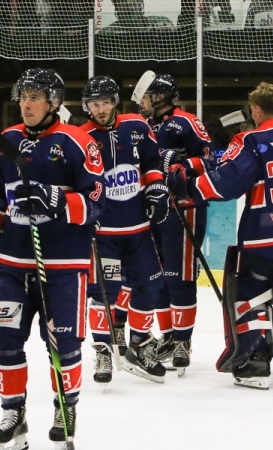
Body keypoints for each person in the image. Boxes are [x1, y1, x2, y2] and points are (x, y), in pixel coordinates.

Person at [0, 68, 106, 449]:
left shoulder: (77, 141)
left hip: (63, 265)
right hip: (11, 263)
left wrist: (55, 201)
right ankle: (12, 412)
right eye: (23, 96)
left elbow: (97, 203)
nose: (26, 103)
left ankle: (65, 407)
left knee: (63, 343)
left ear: (54, 102)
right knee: (2, 339)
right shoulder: (7, 141)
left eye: (35, 96)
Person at [167, 81, 273, 389]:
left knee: (250, 290)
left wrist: (187, 188)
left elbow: (228, 182)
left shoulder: (250, 140)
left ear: (257, 110)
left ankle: (254, 361)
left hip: (265, 234)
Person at [80, 75, 168, 384]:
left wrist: (156, 188)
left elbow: (152, 163)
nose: (100, 109)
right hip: (103, 234)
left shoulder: (137, 127)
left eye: (104, 102)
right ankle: (104, 349)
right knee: (103, 294)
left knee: (150, 287)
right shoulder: (81, 137)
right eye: (94, 103)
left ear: (115, 101)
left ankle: (140, 344)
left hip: (138, 230)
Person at [139, 73, 216, 375]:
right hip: (153, 208)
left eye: (148, 96)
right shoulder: (145, 127)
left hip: (184, 206)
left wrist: (182, 163)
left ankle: (183, 340)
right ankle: (169, 337)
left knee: (179, 277)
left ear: (161, 97)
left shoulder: (185, 122)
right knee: (157, 277)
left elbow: (211, 159)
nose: (143, 101)